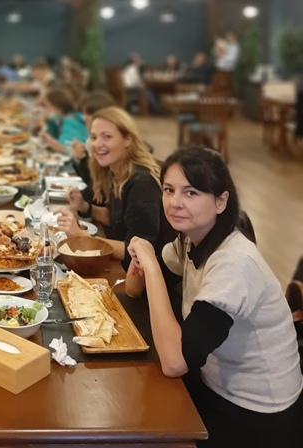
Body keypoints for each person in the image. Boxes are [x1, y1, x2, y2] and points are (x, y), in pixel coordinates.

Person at [128, 147, 302, 448]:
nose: (175, 202)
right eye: (169, 190)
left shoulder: (234, 263)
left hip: (258, 414)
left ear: (221, 201)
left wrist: (151, 266)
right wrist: (143, 260)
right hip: (215, 381)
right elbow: (134, 289)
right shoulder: (191, 239)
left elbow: (175, 362)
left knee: (142, 422)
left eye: (191, 192)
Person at [57, 107, 171, 275]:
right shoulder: (116, 171)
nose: (97, 144)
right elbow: (117, 219)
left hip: (148, 276)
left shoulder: (142, 184)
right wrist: (85, 207)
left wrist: (81, 237)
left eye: (107, 137)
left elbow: (138, 251)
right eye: (94, 137)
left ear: (128, 139)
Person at [40, 85, 88, 153]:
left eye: (48, 107)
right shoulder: (72, 115)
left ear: (57, 107)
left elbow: (68, 149)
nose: (46, 110)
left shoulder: (70, 122)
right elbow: (55, 135)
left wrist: (52, 142)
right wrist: (49, 121)